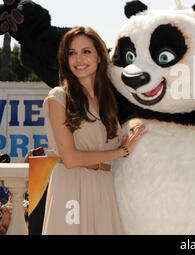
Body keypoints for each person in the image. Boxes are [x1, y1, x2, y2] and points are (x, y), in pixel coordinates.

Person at [41, 26, 146, 235]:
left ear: (99, 56)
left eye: (86, 51)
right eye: (72, 53)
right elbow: (70, 158)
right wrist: (120, 152)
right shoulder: (58, 97)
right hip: (72, 186)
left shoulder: (109, 101)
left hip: (105, 186)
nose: (78, 59)